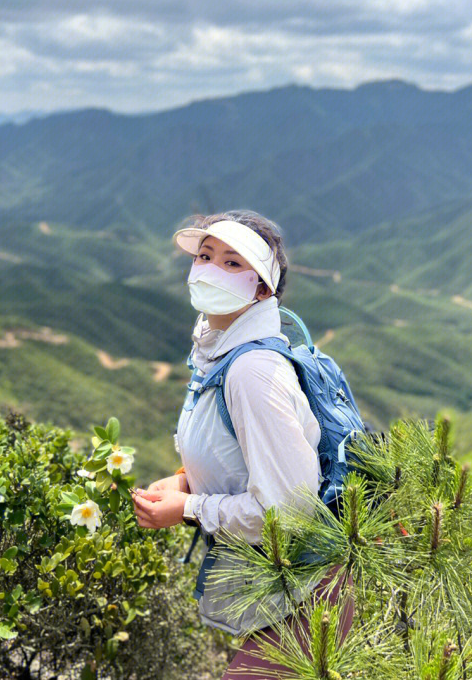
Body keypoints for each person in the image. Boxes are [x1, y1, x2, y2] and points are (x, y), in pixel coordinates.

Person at [131, 209, 353, 678]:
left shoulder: (252, 373)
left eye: (233, 263)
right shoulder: (216, 357)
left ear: (262, 289)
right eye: (205, 256)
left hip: (315, 589)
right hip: (281, 585)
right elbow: (238, 458)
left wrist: (188, 508)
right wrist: (182, 481)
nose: (210, 269)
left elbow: (287, 514)